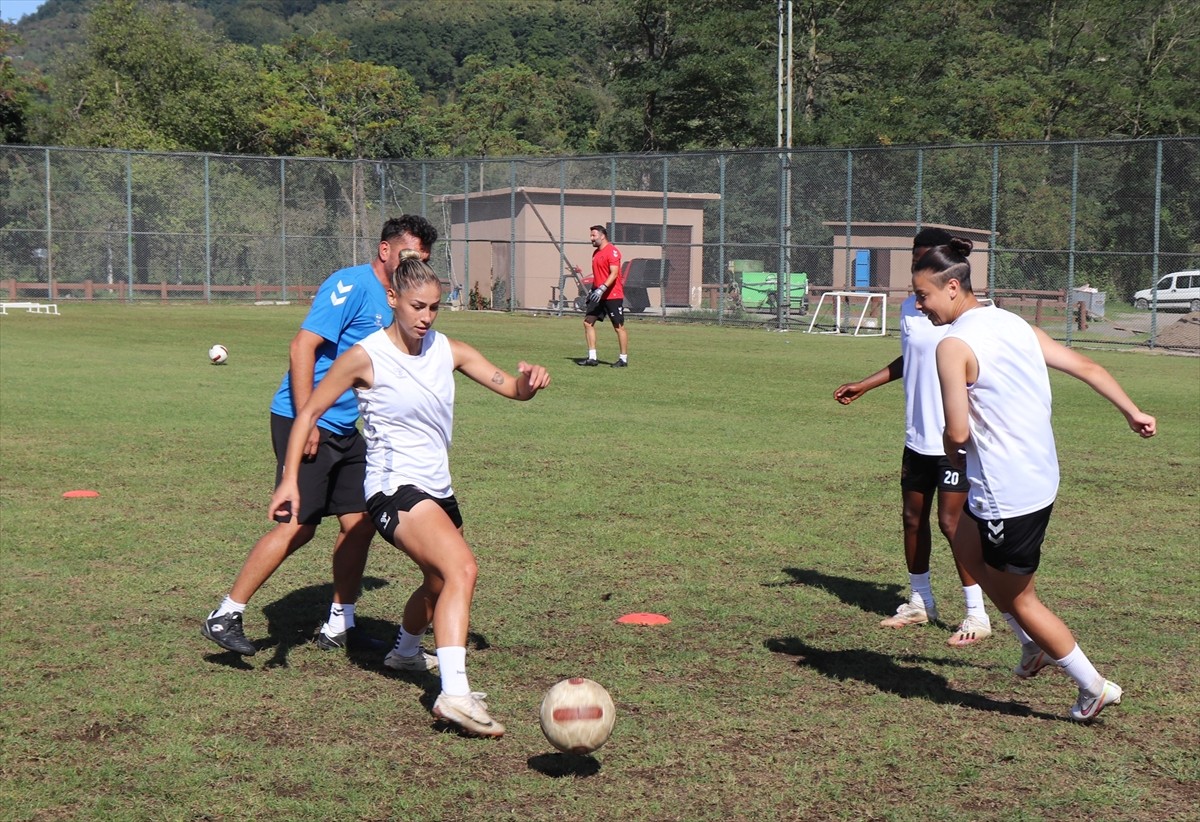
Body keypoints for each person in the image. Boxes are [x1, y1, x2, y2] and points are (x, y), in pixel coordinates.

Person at [269, 252, 550, 737]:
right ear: (393, 299)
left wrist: (530, 381)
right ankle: (454, 695)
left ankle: (404, 651)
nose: (426, 317)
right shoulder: (366, 356)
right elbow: (309, 413)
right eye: (417, 306)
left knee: (439, 583)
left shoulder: (450, 350)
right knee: (462, 568)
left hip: (438, 487)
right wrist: (290, 480)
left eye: (435, 307)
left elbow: (512, 389)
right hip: (391, 488)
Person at [913, 237, 1156, 721]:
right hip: (1040, 475)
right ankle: (1031, 646)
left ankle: (1092, 686)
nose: (920, 306)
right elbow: (1085, 364)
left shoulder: (952, 345)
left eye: (924, 296)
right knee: (962, 538)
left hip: (1008, 491)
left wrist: (945, 452)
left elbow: (957, 432)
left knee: (1023, 599)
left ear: (954, 287)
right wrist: (1132, 411)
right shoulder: (1012, 323)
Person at [203, 215, 439, 656]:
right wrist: (305, 421)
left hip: (346, 429)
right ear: (385, 250)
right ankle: (226, 613)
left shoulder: (399, 299)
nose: (414, 264)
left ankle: (338, 624)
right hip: (306, 420)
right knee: (299, 525)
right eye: (408, 254)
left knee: (362, 521)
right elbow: (302, 347)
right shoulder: (349, 285)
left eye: (422, 259)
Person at [834, 227, 991, 646]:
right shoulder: (910, 308)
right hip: (918, 436)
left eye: (922, 261)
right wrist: (866, 384)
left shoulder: (974, 316)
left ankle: (976, 613)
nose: (915, 270)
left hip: (957, 439)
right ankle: (920, 602)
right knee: (912, 519)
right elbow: (912, 357)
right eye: (913, 261)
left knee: (952, 523)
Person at [578, 224, 629, 367]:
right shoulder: (596, 253)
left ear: (602, 235)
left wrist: (602, 288)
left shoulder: (612, 252)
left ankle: (623, 359)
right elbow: (599, 275)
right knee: (587, 323)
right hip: (598, 295)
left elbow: (614, 273)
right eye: (591, 236)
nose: (591, 238)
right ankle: (592, 358)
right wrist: (594, 290)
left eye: (594, 235)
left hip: (612, 295)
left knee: (618, 327)